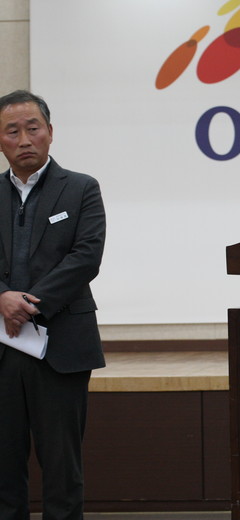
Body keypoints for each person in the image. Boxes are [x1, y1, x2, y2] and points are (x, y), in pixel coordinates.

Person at [0, 90, 106, 520]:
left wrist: (26, 304)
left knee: (62, 470)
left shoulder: (81, 188)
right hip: (2, 346)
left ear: (50, 132)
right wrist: (1, 297)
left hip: (61, 344)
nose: (25, 139)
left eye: (33, 128)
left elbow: (86, 257)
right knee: (3, 471)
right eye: (12, 131)